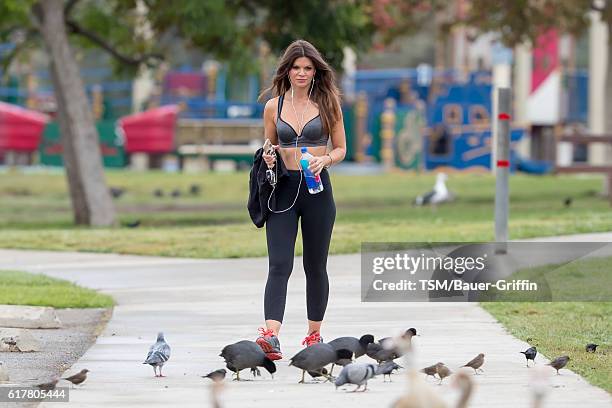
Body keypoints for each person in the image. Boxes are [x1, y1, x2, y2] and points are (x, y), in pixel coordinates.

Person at [255, 39, 346, 360]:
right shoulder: (273, 107)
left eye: (308, 68)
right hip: (283, 189)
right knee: (279, 264)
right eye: (296, 68)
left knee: (315, 265)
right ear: (287, 70)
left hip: (317, 189)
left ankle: (313, 334)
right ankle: (271, 335)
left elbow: (341, 148)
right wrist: (269, 157)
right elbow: (270, 145)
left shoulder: (329, 104)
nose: (302, 73)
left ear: (315, 71)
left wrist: (327, 161)